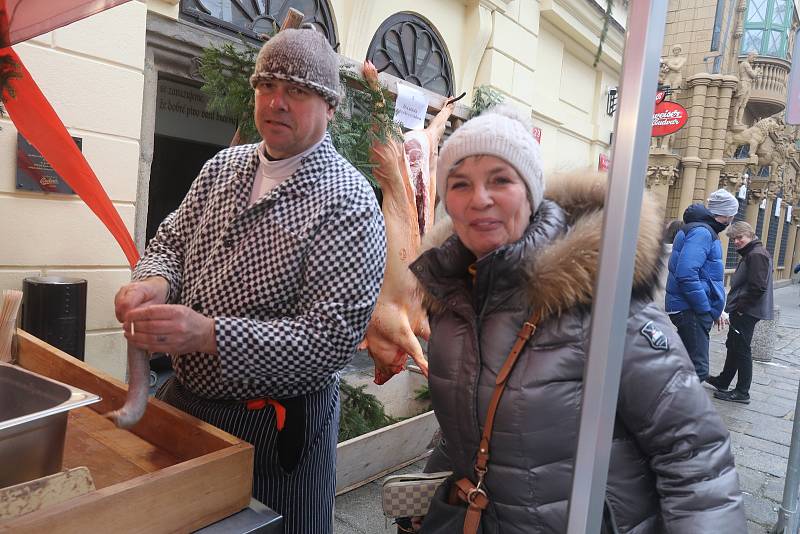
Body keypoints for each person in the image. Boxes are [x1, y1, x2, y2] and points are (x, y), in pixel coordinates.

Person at [407, 105, 745, 532]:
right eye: (459, 183)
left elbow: (696, 457)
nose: (479, 199)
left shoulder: (597, 300)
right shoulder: (451, 300)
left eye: (501, 180)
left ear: (530, 192)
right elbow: (473, 426)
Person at [113, 29, 386, 534]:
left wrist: (209, 334)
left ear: (329, 105)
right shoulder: (224, 167)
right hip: (187, 409)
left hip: (275, 431)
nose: (277, 102)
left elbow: (328, 340)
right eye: (267, 86)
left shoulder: (347, 202)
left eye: (297, 90)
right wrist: (153, 282)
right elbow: (172, 241)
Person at [665, 189, 738, 382]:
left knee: (683, 364)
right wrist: (705, 308)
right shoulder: (702, 232)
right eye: (732, 214)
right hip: (690, 309)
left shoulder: (700, 229)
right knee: (698, 370)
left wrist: (714, 310)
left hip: (687, 308)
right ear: (727, 214)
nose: (732, 218)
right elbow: (687, 274)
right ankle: (678, 409)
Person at [707, 222, 773, 404]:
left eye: (739, 237)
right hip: (744, 309)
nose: (736, 241)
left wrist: (741, 309)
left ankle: (742, 392)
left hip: (746, 311)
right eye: (733, 238)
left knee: (742, 349)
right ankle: (724, 380)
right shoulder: (752, 252)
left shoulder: (756, 255)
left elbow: (757, 287)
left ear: (750, 235)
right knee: (734, 345)